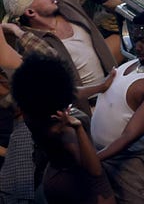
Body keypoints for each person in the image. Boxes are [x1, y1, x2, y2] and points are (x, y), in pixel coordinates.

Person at [3, 0, 144, 107]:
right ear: (30, 12)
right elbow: (52, 60)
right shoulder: (29, 42)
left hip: (114, 92)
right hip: (86, 107)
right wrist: (18, 32)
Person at [90, 9, 144, 204]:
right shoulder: (133, 64)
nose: (137, 46)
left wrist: (92, 161)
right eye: (136, 40)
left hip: (127, 166)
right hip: (103, 156)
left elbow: (128, 137)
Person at [10, 54, 116, 204]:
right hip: (76, 187)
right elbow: (95, 172)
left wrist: (100, 87)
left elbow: (70, 93)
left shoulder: (31, 113)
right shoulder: (65, 131)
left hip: (52, 178)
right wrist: (78, 128)